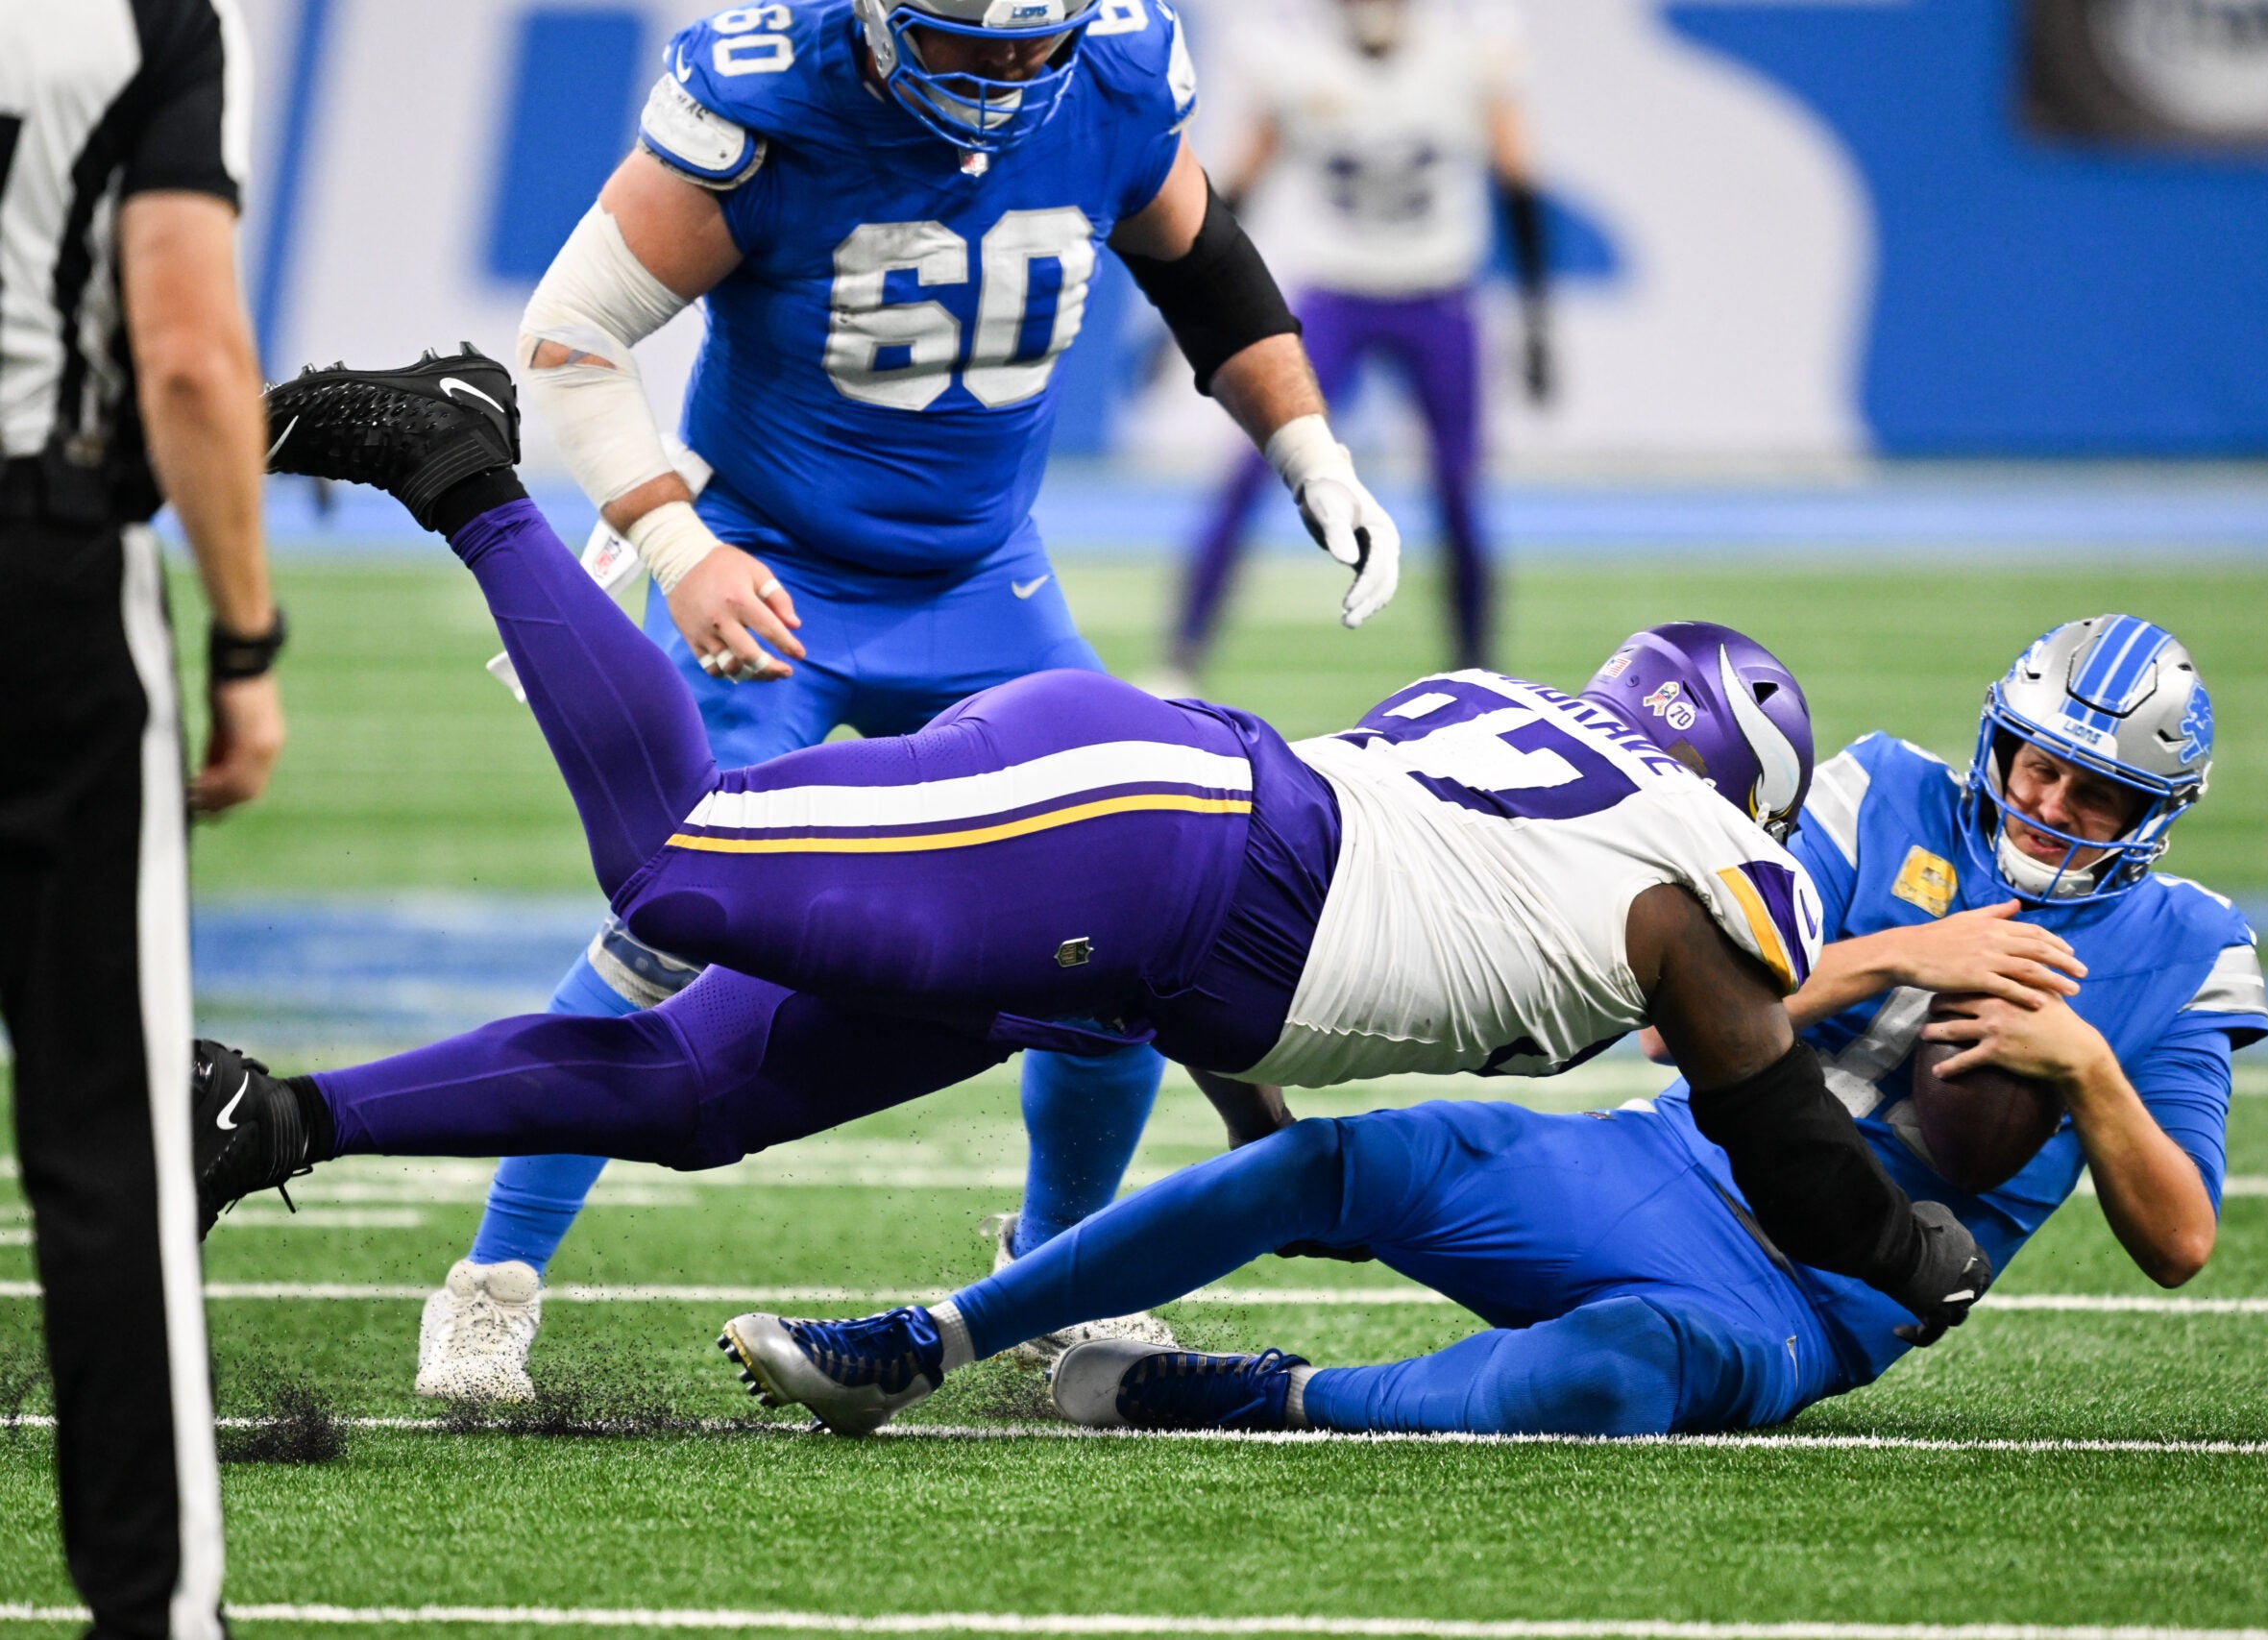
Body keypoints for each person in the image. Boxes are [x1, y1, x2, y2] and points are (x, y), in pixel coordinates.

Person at [196, 354, 1989, 1421]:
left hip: (1148, 892)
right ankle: (464, 458)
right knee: (679, 868)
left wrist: (1258, 1112)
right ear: (1734, 795)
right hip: (1147, 848)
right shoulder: (1702, 868)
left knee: (693, 1096)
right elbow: (1788, 1144)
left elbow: (1346, 901)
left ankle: (270, 1118)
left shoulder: (1525, 748)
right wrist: (1913, 1250)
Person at [419, 0, 1409, 1401]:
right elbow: (575, 332)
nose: (1009, 75)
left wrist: (1309, 447)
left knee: (1108, 930)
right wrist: (673, 543)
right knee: (668, 926)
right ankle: (494, 1281)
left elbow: (1204, 265)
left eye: (1031, 47)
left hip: (983, 585)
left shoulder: (1115, 67)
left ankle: (1059, 1269)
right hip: (766, 575)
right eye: (972, 41)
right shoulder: (773, 94)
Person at [739, 615, 2265, 1439]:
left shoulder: (2186, 949)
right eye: (2037, 766)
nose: (2051, 806)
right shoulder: (1887, 791)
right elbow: (1687, 1029)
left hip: (1826, 1303)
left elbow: (2180, 1237)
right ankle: (922, 1338)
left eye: (2097, 791)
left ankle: (1260, 1396)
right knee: (1343, 1166)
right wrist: (1893, 954)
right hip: (1666, 1163)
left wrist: (2092, 1076)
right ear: (1997, 741)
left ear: (2156, 816)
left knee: (1619, 1371)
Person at [0, 2, 283, 1632]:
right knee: (105, 1142)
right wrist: (246, 634)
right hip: (41, 575)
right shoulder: (143, 17)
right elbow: (185, 352)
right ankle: (151, 1606)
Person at [1158, 0, 1549, 690]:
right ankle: (1181, 658)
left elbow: (1517, 179)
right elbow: (1232, 196)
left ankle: (1481, 673)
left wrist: (1538, 316)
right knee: (1257, 469)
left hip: (1438, 291)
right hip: (1335, 293)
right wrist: (1183, 316)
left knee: (1458, 489)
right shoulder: (1290, 55)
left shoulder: (1469, 46)